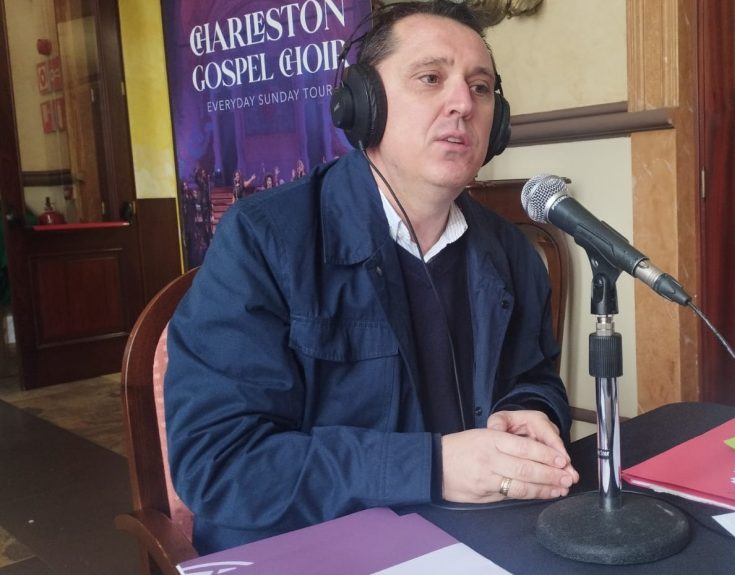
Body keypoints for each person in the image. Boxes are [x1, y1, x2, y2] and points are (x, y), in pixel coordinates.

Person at [165, 0, 578, 554]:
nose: (462, 103)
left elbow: (534, 376)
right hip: (307, 545)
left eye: (480, 88)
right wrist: (432, 467)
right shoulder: (263, 239)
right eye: (431, 78)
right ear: (363, 104)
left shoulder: (512, 251)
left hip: (474, 538)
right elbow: (220, 462)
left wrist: (530, 409)